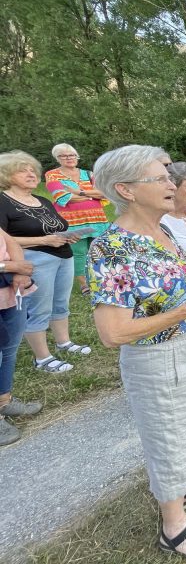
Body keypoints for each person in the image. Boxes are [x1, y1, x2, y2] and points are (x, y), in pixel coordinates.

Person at [89, 144, 186, 559]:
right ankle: (173, 527)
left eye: (169, 175)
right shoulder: (112, 248)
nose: (171, 184)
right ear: (126, 190)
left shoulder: (163, 230)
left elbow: (170, 287)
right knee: (169, 439)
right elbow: (113, 333)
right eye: (160, 178)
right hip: (158, 361)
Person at [0, 151, 90, 372]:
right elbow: (4, 239)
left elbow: (58, 227)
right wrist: (43, 240)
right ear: (7, 175)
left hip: (63, 255)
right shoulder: (3, 202)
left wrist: (69, 235)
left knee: (60, 303)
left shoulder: (42, 200)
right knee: (38, 308)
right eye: (23, 171)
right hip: (33, 259)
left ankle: (63, 342)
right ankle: (42, 358)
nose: (31, 174)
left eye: (32, 170)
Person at [44, 143, 110, 295]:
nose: (69, 158)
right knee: (78, 252)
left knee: (99, 250)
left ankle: (101, 280)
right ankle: (84, 284)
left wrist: (79, 193)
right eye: (63, 156)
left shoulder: (89, 174)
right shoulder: (52, 175)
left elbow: (104, 193)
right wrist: (91, 195)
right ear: (57, 158)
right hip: (72, 221)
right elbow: (62, 197)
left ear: (77, 156)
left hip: (97, 219)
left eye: (72, 155)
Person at [0, 227, 40, 446]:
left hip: (8, 288)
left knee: (9, 349)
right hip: (7, 275)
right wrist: (11, 266)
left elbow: (11, 242)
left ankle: (4, 401)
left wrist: (20, 272)